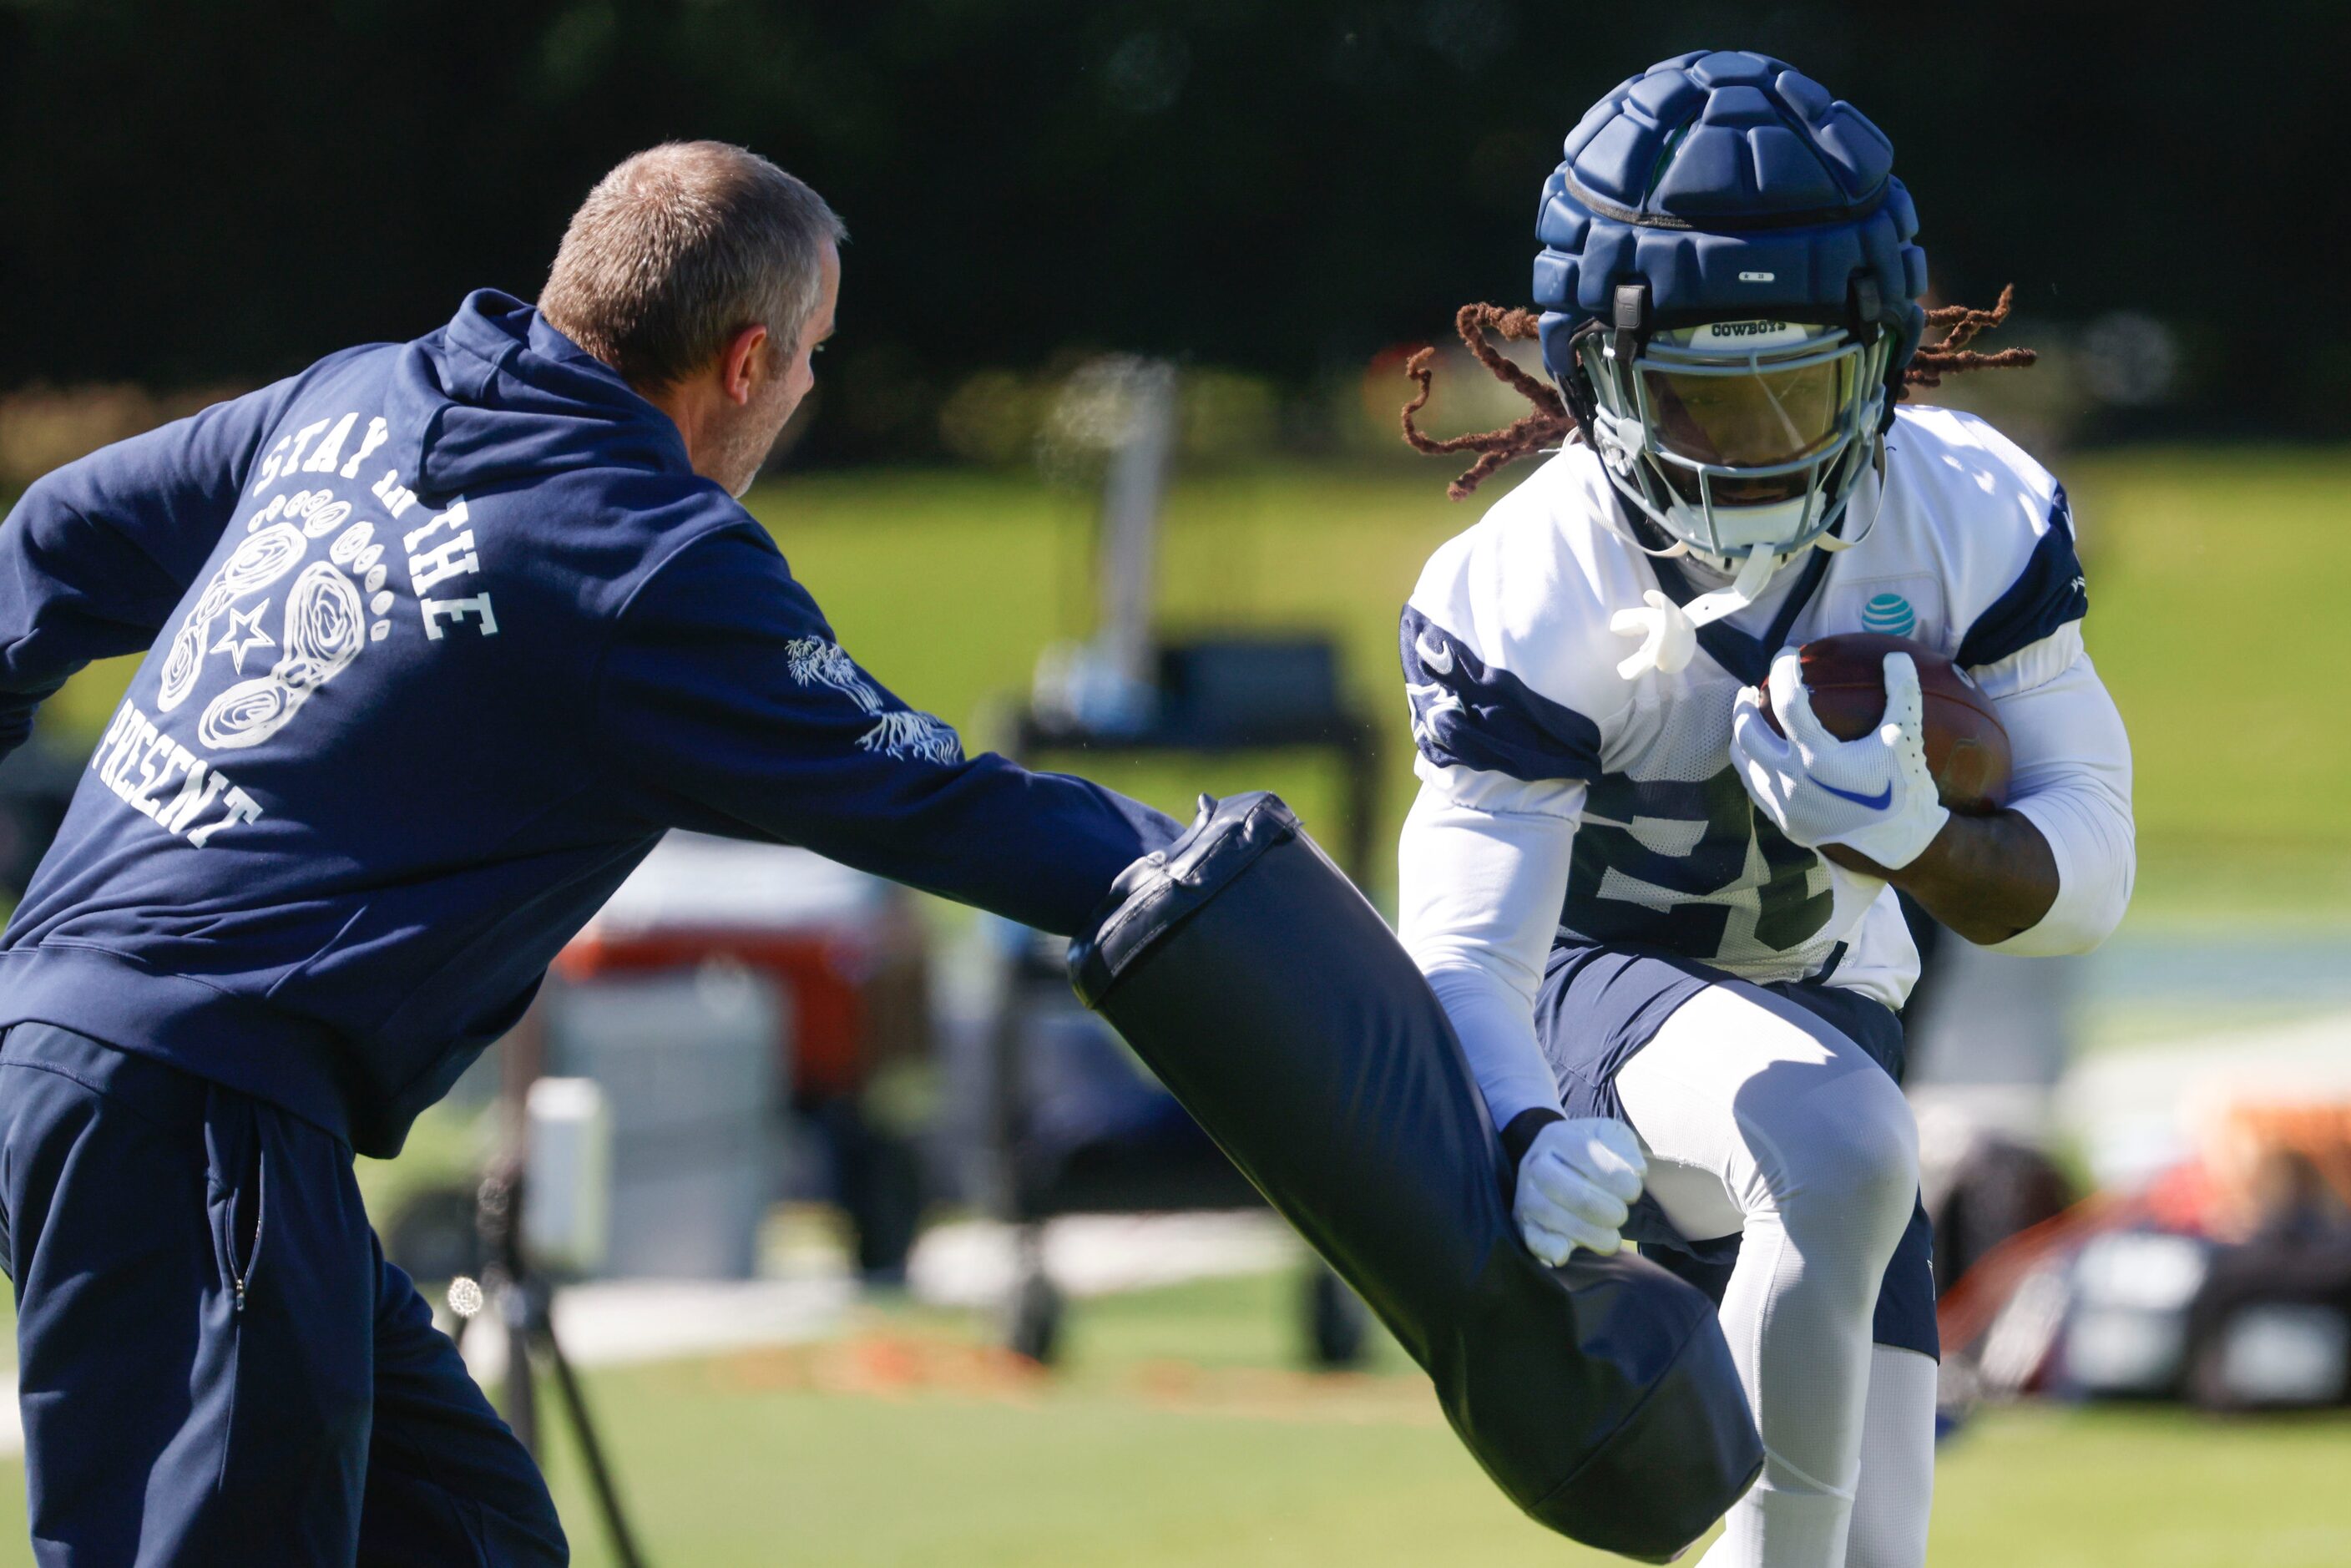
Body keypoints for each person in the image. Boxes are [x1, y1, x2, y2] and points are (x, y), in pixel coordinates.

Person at [0, 142, 1180, 1565]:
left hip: (81, 1058)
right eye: (811, 354)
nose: (810, 387)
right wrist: (1211, 879)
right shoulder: (646, 554)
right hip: (198, 1111)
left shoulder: (354, 395)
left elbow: (50, 539)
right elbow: (930, 797)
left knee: (471, 1533)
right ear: (745, 362)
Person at [1392, 51, 2135, 1568]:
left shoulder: (1970, 513)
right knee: (1847, 1137)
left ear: (1883, 357)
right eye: (1695, 395)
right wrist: (1522, 1120)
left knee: (1878, 1546)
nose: (1751, 449)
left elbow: (2093, 864)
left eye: (1794, 388)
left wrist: (1920, 842)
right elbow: (1465, 950)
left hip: (1822, 1002)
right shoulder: (1525, 582)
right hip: (1580, 1014)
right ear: (1591, 369)